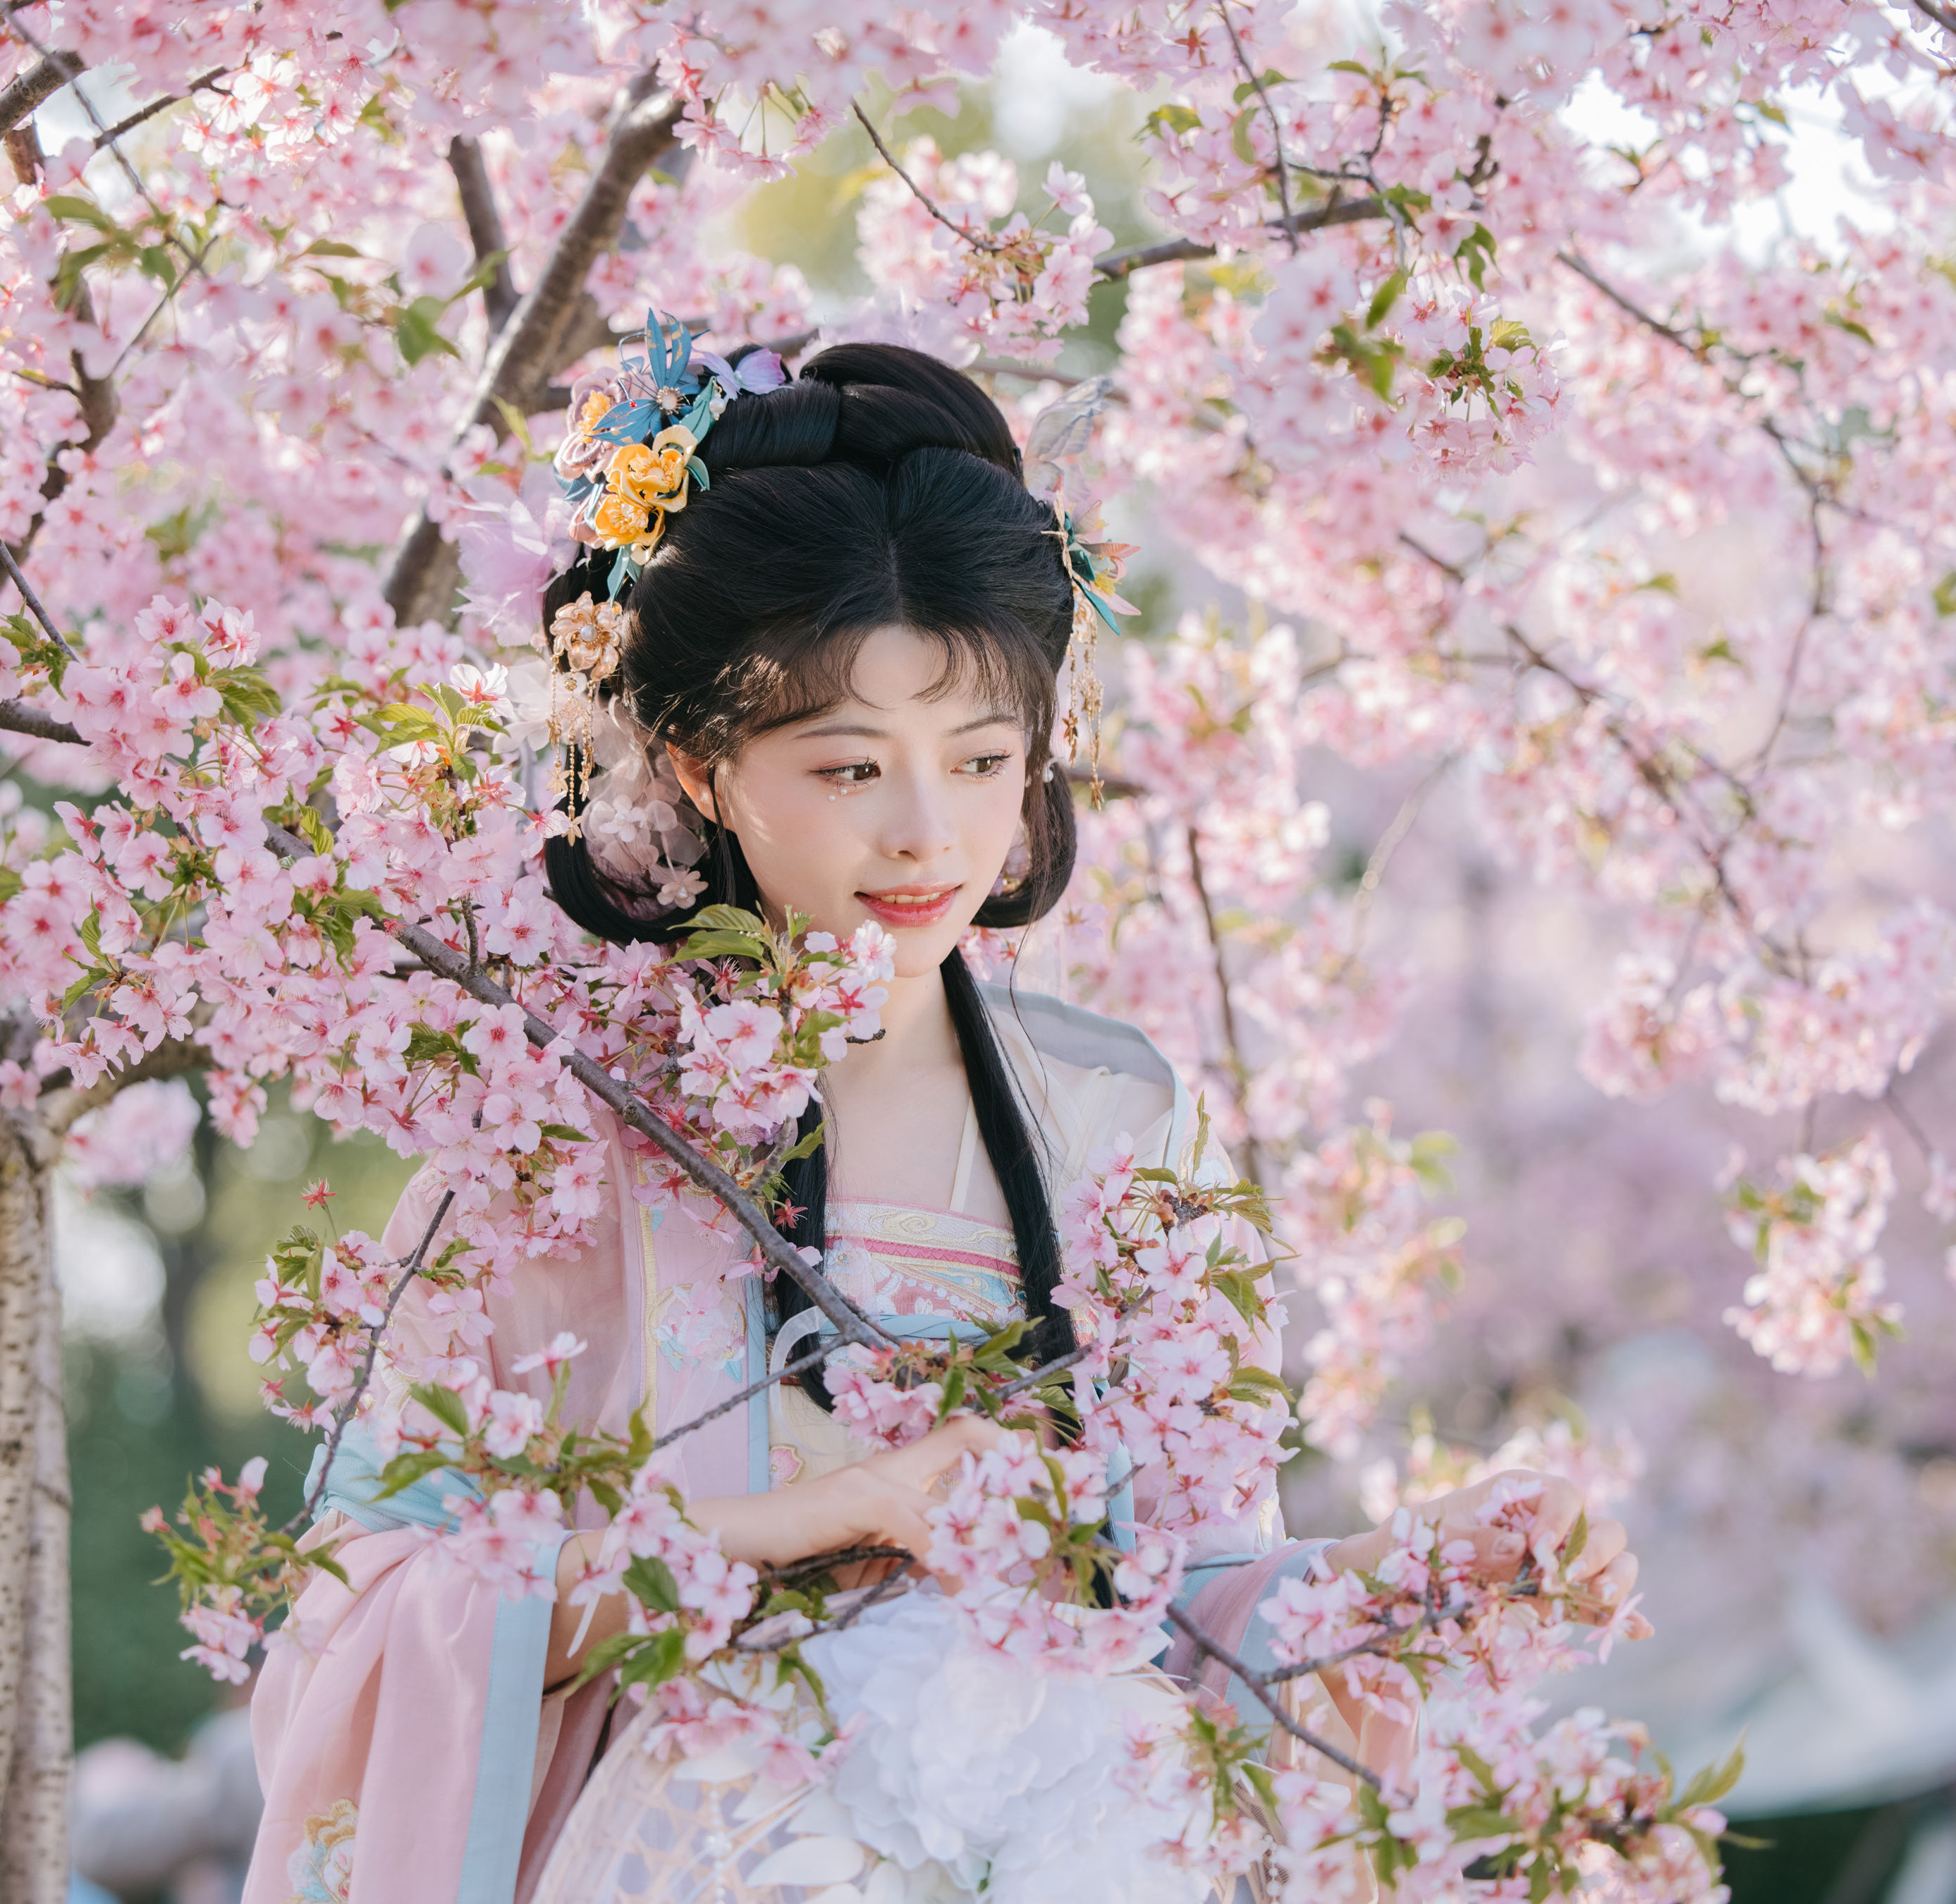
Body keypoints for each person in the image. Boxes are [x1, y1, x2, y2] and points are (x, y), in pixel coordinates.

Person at [244, 336, 1639, 1903]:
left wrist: (1421, 1571)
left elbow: (1175, 1612)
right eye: (847, 765)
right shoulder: (562, 1136)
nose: (927, 832)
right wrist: (797, 1524)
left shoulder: (1119, 1128)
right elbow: (352, 1617)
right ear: (699, 764)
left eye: (980, 759)